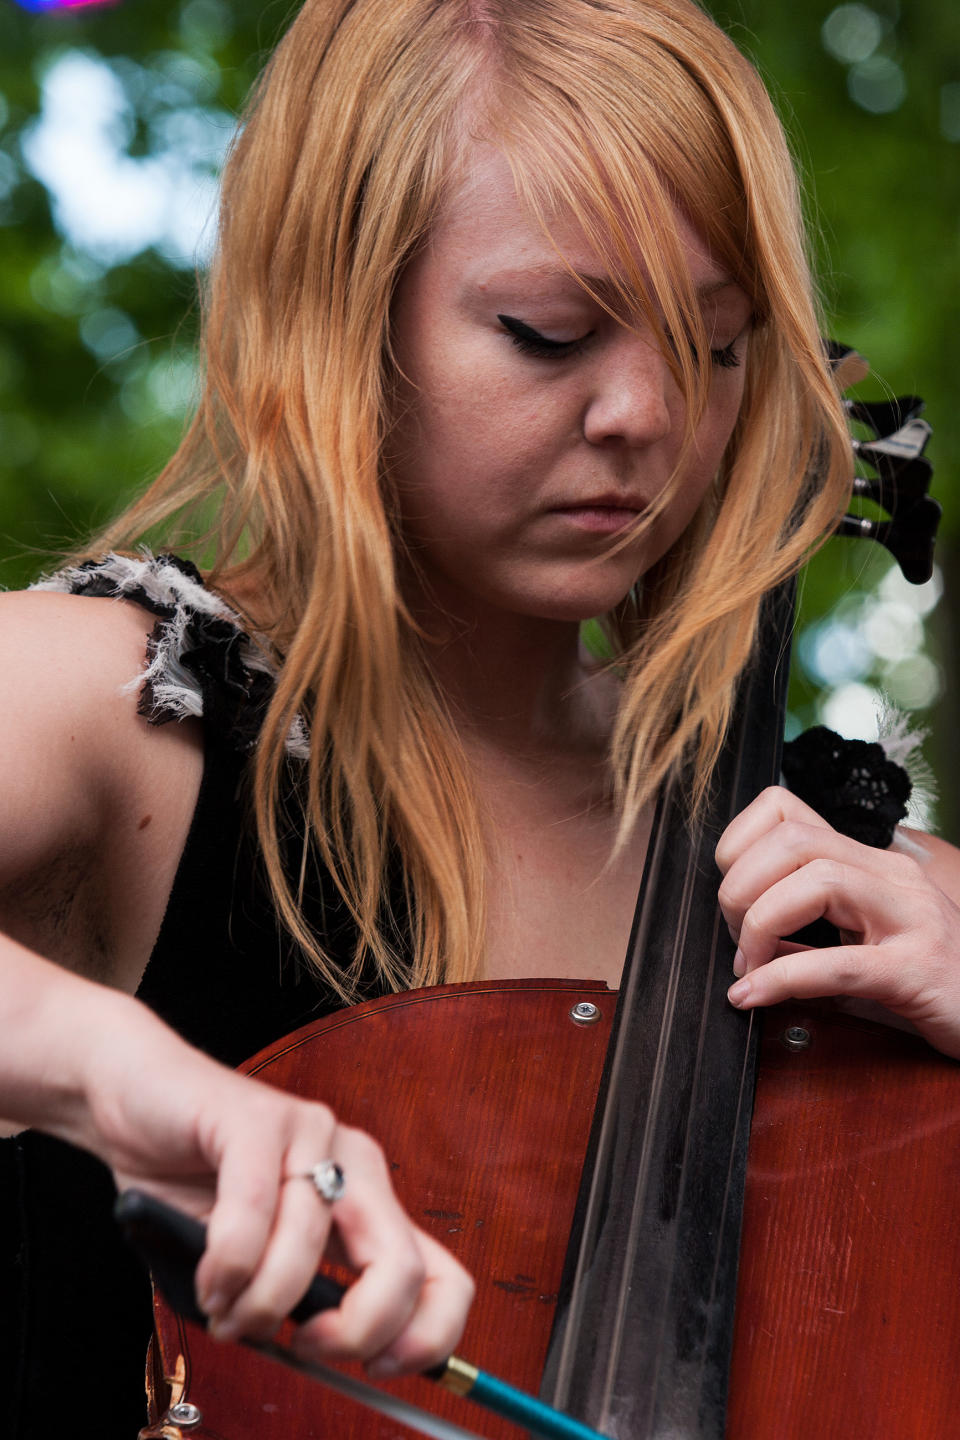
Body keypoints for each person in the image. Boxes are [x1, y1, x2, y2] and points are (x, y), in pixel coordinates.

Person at [2, 0, 959, 1434]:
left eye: (715, 348)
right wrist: (121, 1076)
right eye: (548, 332)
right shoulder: (133, 702)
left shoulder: (848, 870)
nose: (649, 413)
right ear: (340, 315)